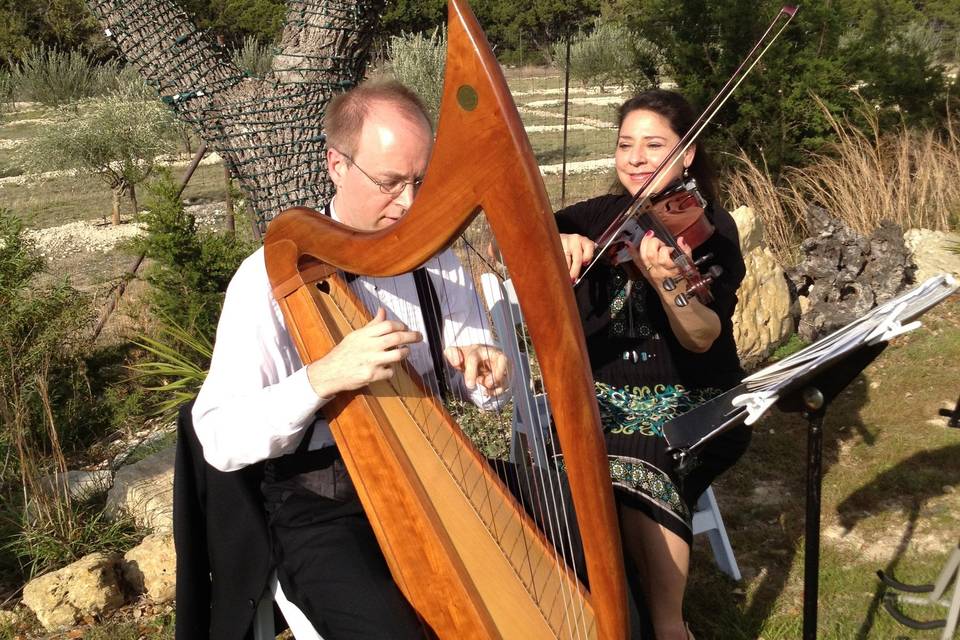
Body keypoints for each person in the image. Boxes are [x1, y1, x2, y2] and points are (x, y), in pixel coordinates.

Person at [191, 80, 509, 639]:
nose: (409, 203)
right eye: (389, 183)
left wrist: (487, 372)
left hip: (437, 479)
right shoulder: (267, 280)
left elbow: (480, 384)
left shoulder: (439, 264)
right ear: (337, 165)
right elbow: (218, 436)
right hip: (321, 507)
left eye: (419, 181)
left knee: (576, 552)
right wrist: (320, 378)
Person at [555, 89, 751, 640]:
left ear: (687, 155)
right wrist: (561, 238)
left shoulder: (707, 229)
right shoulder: (597, 216)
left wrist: (669, 283)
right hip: (603, 396)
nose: (636, 158)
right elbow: (517, 232)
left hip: (696, 399)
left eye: (654, 145)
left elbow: (701, 337)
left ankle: (666, 627)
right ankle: (617, 596)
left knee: (644, 450)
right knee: (574, 450)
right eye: (625, 145)